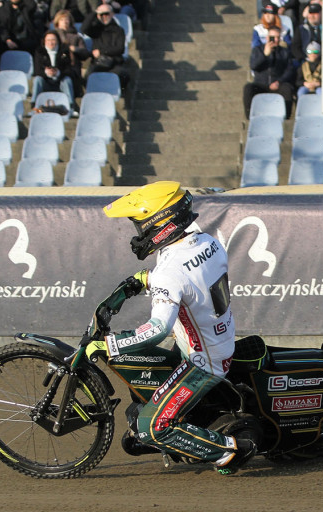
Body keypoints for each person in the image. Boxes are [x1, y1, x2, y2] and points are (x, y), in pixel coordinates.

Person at [93, 182, 250, 476]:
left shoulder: (169, 271)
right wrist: (144, 279)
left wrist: (107, 345)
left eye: (140, 225)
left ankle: (228, 452)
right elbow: (188, 278)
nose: (138, 233)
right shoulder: (207, 241)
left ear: (161, 223)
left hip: (203, 361)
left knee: (150, 427)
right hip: (215, 338)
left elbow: (157, 330)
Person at [243, 25, 295, 118]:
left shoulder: (285, 52)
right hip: (261, 83)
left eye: (277, 38)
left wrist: (279, 82)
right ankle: (249, 118)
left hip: (277, 83)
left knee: (287, 89)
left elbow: (290, 70)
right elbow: (253, 66)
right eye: (272, 38)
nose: (275, 40)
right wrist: (265, 55)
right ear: (267, 38)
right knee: (248, 88)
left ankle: (286, 118)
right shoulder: (258, 50)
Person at [81, 2, 126, 88]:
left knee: (122, 75)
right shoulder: (96, 29)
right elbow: (84, 28)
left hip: (114, 62)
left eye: (106, 14)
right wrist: (95, 12)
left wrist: (101, 51)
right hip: (98, 62)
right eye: (101, 15)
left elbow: (120, 49)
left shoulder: (119, 30)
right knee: (89, 77)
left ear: (112, 14)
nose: (104, 17)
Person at [31, 29, 75, 104]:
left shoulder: (64, 51)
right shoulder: (39, 51)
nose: (51, 42)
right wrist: (47, 72)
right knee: (37, 79)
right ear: (44, 41)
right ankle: (34, 104)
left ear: (58, 40)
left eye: (53, 40)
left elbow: (68, 70)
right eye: (48, 40)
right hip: (46, 81)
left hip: (60, 81)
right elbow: (37, 70)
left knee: (67, 80)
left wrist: (58, 72)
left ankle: (70, 105)